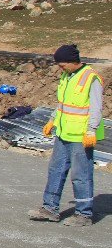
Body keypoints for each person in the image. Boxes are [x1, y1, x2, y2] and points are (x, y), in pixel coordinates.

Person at [29, 44, 105, 226]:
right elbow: (62, 103)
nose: (60, 68)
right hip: (63, 133)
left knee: (81, 175)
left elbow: (96, 108)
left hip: (81, 136)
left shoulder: (91, 78)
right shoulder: (67, 76)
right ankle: (50, 208)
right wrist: (52, 120)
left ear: (72, 62)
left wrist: (91, 130)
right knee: (56, 170)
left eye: (62, 65)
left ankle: (83, 214)